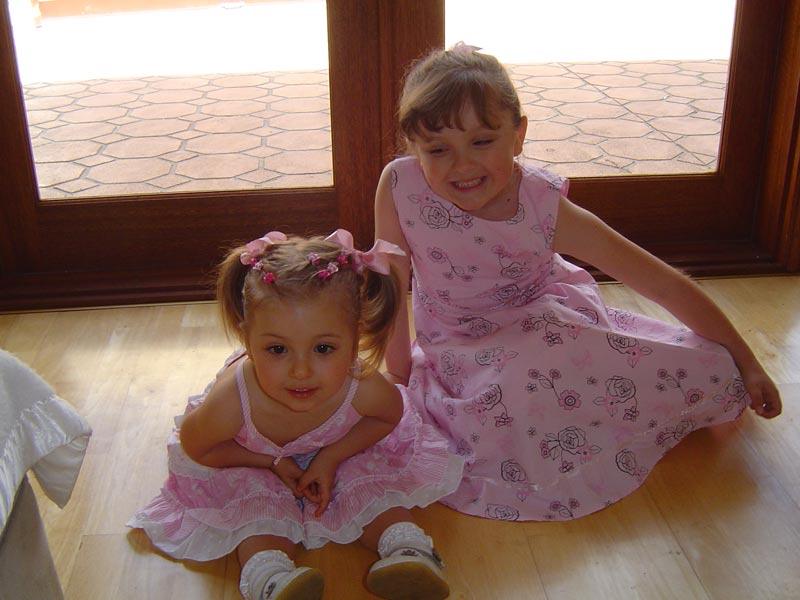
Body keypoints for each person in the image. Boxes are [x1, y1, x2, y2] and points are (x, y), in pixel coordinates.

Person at [374, 43, 782, 523]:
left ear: (518, 134)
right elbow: (391, 285)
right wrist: (399, 376)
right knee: (502, 403)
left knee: (711, 369)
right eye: (438, 150)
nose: (462, 166)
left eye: (481, 142)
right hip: (456, 341)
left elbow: (661, 283)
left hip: (545, 322)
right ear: (413, 147)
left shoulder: (542, 206)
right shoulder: (400, 186)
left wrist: (747, 361)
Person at [128, 229, 463, 600]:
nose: (301, 371)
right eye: (277, 350)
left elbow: (388, 417)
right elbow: (197, 447)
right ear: (247, 340)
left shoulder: (362, 385)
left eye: (323, 349)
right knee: (256, 506)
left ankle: (410, 552)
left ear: (355, 339)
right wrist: (270, 462)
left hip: (336, 448)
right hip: (251, 459)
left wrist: (331, 456)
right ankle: (271, 579)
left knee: (370, 482)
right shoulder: (232, 400)